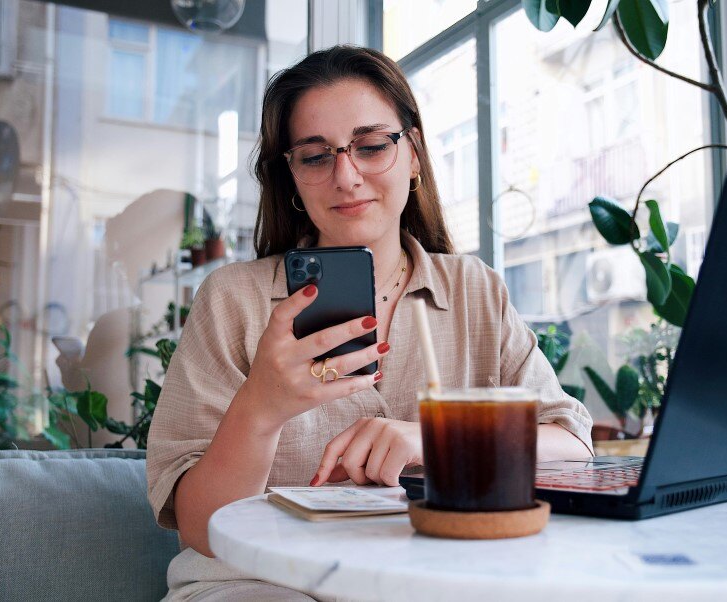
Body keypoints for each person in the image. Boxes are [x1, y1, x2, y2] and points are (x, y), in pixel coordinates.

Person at [147, 45, 593, 601]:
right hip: (263, 581)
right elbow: (201, 526)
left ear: (414, 155)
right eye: (315, 157)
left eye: (372, 146)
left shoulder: (473, 289)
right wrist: (260, 407)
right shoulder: (233, 298)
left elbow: (572, 443)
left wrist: (431, 437)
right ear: (291, 178)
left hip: (434, 579)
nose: (345, 175)